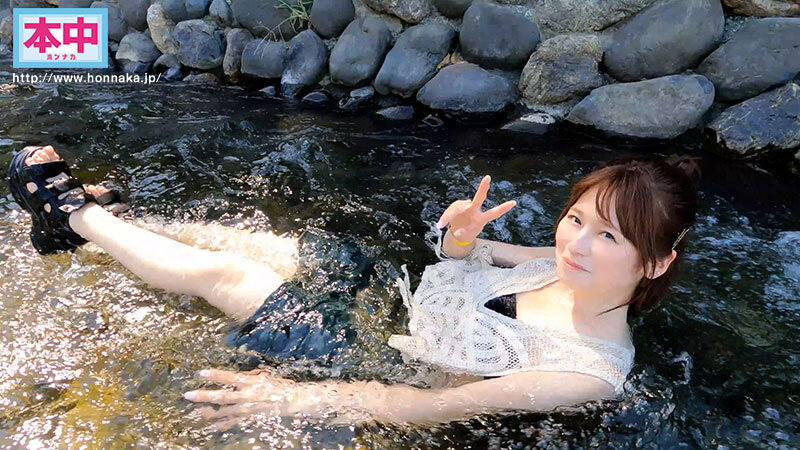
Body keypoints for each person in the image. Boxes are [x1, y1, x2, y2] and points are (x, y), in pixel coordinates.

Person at [7, 145, 699, 428]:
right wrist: (460, 234)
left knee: (229, 275)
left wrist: (292, 397)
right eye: (576, 219)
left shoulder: (584, 372)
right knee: (257, 241)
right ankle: (117, 225)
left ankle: (74, 216)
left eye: (609, 236)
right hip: (391, 296)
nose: (576, 243)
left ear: (656, 262)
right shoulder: (562, 261)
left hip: (371, 353)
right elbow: (469, 254)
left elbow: (431, 406)